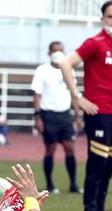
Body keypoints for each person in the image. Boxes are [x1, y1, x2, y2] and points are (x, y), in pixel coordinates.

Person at [59, 0, 112, 211]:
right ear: (103, 19)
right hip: (98, 114)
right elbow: (65, 63)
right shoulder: (95, 43)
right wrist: (78, 97)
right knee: (96, 167)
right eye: (110, 17)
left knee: (109, 169)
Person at [31, 41, 80, 194]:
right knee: (50, 149)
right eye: (54, 50)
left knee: (70, 148)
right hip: (49, 115)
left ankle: (73, 184)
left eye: (60, 50)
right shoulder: (42, 70)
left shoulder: (68, 69)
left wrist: (78, 115)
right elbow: (37, 95)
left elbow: (73, 93)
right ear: (49, 53)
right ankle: (50, 184)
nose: (57, 53)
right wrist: (38, 117)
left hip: (65, 115)